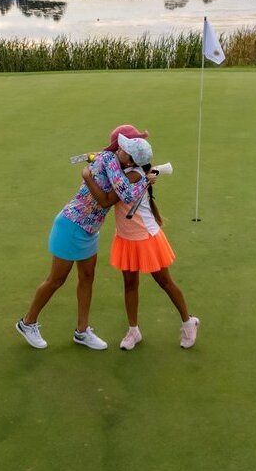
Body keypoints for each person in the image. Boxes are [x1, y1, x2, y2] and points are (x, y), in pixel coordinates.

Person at [15, 125, 155, 350]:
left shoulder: (120, 165)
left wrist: (143, 176)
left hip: (90, 229)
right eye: (127, 144)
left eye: (129, 147)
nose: (124, 148)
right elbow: (112, 199)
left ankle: (82, 331)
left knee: (87, 278)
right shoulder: (110, 160)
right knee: (56, 280)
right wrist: (140, 179)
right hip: (71, 224)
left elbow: (123, 182)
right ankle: (27, 322)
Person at [83, 139, 199, 350]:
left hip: (146, 238)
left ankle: (188, 321)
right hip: (127, 239)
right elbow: (112, 162)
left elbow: (107, 199)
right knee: (130, 285)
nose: (119, 150)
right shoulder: (132, 171)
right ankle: (133, 330)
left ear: (131, 160)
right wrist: (101, 157)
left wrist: (88, 176)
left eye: (124, 150)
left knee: (165, 282)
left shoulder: (133, 175)